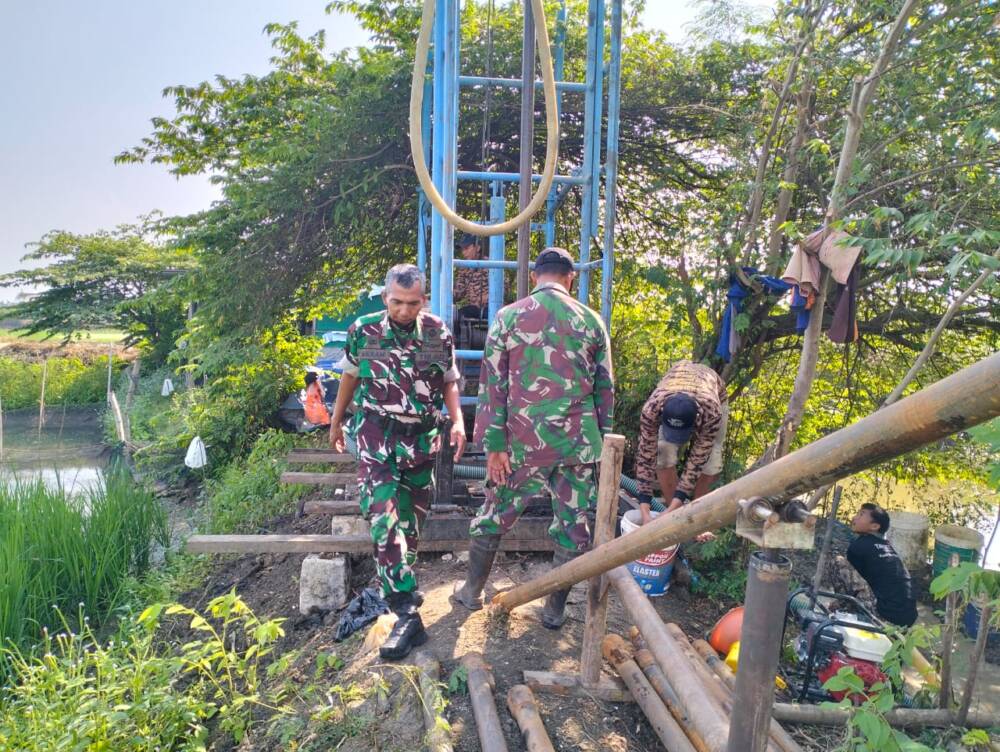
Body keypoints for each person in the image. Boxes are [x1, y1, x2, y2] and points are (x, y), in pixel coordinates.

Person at [451, 247, 614, 629]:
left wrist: (493, 446)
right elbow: (605, 389)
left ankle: (471, 592)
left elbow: (492, 387)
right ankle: (554, 610)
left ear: (534, 277)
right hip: (577, 444)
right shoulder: (592, 322)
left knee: (494, 514)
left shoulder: (508, 318)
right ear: (570, 277)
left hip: (522, 444)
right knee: (574, 527)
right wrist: (602, 442)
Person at [329, 264, 466, 660]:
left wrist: (457, 421)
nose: (404, 310)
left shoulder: (439, 332)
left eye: (412, 303)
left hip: (422, 441)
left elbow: (449, 381)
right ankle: (406, 611)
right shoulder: (364, 330)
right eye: (396, 302)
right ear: (385, 297)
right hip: (376, 438)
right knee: (383, 519)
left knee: (409, 528)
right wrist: (337, 422)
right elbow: (350, 379)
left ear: (423, 300)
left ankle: (398, 593)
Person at [633, 360, 729, 525]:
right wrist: (645, 513)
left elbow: (696, 463)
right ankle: (675, 515)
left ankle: (697, 519)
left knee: (711, 460)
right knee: (662, 452)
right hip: (674, 384)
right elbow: (645, 459)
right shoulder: (652, 409)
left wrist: (669, 511)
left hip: (712, 392)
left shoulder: (711, 413)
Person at [828, 503, 917, 628]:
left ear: (874, 526)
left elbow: (852, 586)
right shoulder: (887, 547)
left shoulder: (860, 546)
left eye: (861, 515)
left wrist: (840, 602)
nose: (854, 518)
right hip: (907, 620)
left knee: (838, 562)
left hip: (884, 617)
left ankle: (846, 609)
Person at [453, 233, 490, 320]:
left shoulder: (490, 264)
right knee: (457, 315)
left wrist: (488, 297)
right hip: (473, 309)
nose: (463, 252)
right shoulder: (464, 268)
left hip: (490, 308)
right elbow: (459, 291)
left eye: (466, 248)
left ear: (477, 248)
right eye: (462, 249)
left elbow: (504, 288)